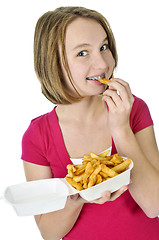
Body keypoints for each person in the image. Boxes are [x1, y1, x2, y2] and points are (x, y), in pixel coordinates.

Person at [21, 6, 159, 240]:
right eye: (82, 53)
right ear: (52, 62)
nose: (102, 63)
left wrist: (121, 128)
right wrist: (79, 198)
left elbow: (154, 205)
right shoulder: (38, 135)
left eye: (104, 47)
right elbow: (49, 232)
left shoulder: (133, 109)